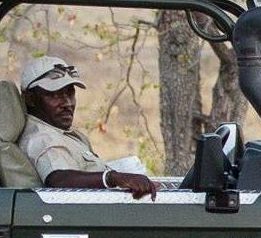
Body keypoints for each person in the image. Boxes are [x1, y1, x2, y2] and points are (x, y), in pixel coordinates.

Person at [18, 56, 158, 197]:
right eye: (55, 95)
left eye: (70, 93)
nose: (67, 103)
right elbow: (59, 179)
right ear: (30, 99)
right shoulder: (42, 138)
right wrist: (111, 178)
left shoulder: (61, 133)